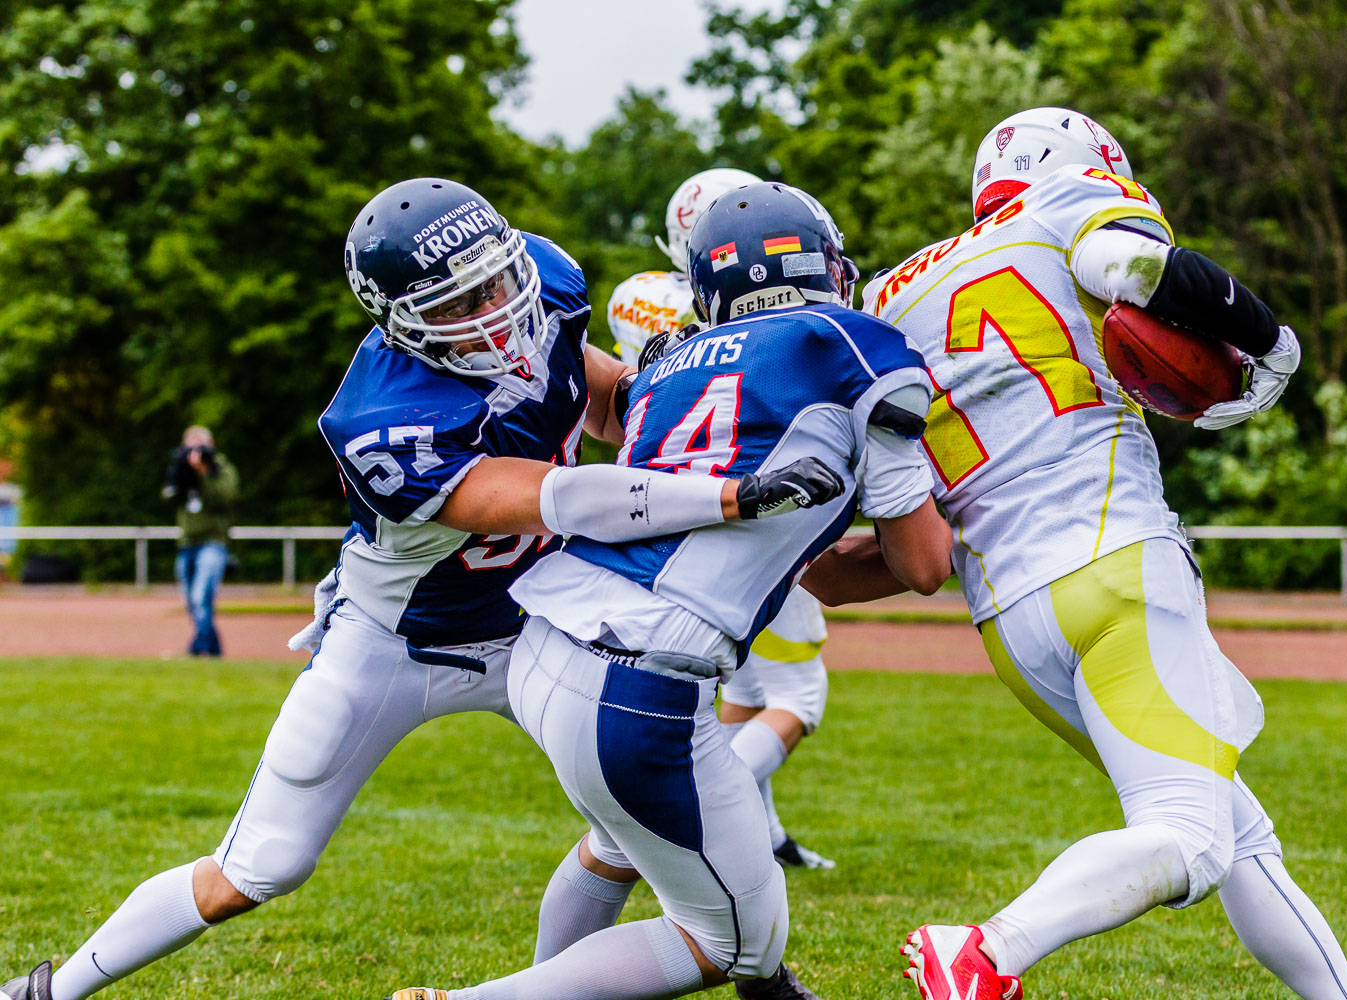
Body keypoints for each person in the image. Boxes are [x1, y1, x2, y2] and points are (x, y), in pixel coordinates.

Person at [0, 178, 845, 1000]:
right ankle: (51, 989)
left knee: (637, 810)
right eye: (455, 304)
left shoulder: (546, 286)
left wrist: (644, 395)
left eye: (497, 281)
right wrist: (727, 492)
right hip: (395, 644)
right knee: (257, 868)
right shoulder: (382, 418)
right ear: (401, 325)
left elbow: (588, 388)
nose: (494, 312)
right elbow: (551, 496)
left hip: (533, 623)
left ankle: (738, 971)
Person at [805, 106, 1347, 1000]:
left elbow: (877, 506)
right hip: (1113, 564)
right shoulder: (1071, 203)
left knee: (1235, 830)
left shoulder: (883, 297)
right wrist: (1269, 345)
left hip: (1008, 617)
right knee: (1188, 834)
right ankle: (988, 949)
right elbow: (1135, 268)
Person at [384, 181, 953, 1000]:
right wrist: (983, 538)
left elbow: (821, 574)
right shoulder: (853, 344)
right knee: (729, 943)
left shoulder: (669, 365)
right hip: (637, 678)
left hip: (550, 647)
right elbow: (925, 564)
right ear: (822, 264)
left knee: (622, 849)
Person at [607, 167, 838, 870]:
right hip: (761, 513)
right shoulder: (775, 313)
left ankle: (764, 837)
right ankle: (680, 824)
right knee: (800, 696)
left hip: (672, 522)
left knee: (738, 694)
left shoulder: (639, 301)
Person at [162, 426, 238, 657]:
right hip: (187, 543)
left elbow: (226, 498)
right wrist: (184, 474)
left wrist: (205, 473)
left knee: (200, 597)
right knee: (192, 602)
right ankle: (212, 648)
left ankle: (199, 647)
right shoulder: (181, 469)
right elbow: (169, 497)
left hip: (213, 542)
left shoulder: (222, 469)